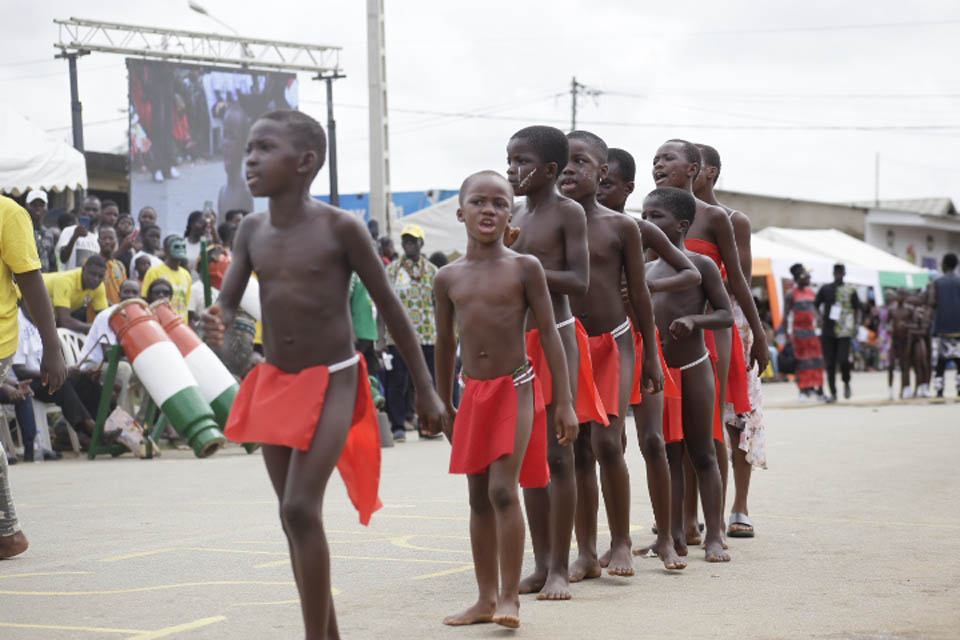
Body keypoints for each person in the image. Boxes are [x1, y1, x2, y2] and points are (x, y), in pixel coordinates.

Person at [201, 109, 444, 638]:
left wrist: (427, 389)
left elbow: (393, 311)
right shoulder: (251, 231)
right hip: (274, 380)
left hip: (335, 378)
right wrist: (214, 320)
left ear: (306, 162)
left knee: (299, 506)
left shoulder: (341, 228)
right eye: (249, 148)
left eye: (266, 148)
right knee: (293, 518)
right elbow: (227, 301)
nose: (251, 159)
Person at [432, 170, 579, 629]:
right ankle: (484, 598)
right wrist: (443, 403)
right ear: (461, 212)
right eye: (479, 202)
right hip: (472, 392)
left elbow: (551, 337)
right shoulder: (447, 276)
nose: (489, 210)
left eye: (500, 203)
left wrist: (565, 401)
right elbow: (442, 343)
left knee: (502, 489)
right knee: (477, 497)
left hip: (516, 386)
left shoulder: (524, 268)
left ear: (509, 212)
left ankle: (509, 598)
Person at [559, 131, 666, 580]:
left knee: (607, 441)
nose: (570, 169)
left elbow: (639, 293)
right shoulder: (545, 222)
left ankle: (619, 541)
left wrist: (650, 356)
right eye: (563, 162)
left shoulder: (621, 226)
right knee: (577, 447)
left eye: (581, 162)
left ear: (602, 172)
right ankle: (584, 551)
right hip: (570, 344)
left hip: (616, 343)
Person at [651, 139, 767, 544]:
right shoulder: (654, 217)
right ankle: (684, 520)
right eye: (656, 158)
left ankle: (724, 515)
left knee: (715, 425)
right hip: (668, 329)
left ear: (700, 169)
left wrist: (758, 333)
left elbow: (738, 282)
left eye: (668, 158)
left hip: (713, 326)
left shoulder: (719, 217)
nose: (659, 163)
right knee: (674, 428)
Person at [596, 146, 700, 567]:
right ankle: (617, 539)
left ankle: (666, 537)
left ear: (627, 188)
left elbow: (691, 271)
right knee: (608, 444)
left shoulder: (639, 230)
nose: (600, 189)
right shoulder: (578, 227)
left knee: (653, 441)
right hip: (601, 346)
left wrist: (650, 288)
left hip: (641, 342)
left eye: (607, 183)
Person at [506, 125, 591, 600]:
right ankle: (539, 564)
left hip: (557, 336)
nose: (513, 170)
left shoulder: (568, 212)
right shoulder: (512, 213)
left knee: (561, 454)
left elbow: (578, 280)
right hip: (519, 342)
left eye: (522, 161)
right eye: (509, 159)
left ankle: (560, 566)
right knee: (528, 458)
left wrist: (527, 267)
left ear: (551, 170)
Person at [642, 186, 732, 562]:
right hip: (660, 371)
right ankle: (673, 533)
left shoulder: (701, 265)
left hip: (694, 368)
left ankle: (714, 533)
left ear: (681, 225)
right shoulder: (644, 269)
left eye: (656, 217)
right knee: (668, 454)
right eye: (644, 217)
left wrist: (694, 320)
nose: (648, 224)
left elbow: (725, 313)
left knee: (703, 453)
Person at [694, 143, 767, 538]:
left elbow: (740, 280)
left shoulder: (733, 219)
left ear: (711, 173)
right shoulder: (669, 215)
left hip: (728, 321)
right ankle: (694, 509)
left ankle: (738, 505)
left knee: (737, 417)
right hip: (687, 319)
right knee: (694, 418)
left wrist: (757, 332)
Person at [0, 195, 66, 558]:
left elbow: (29, 279)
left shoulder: (9, 214)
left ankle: (8, 531)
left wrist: (51, 347)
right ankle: (7, 531)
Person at [14, 305, 114, 452]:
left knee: (86, 381)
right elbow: (19, 371)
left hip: (45, 378)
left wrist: (70, 372)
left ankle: (105, 425)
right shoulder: (17, 324)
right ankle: (91, 430)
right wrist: (58, 372)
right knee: (61, 383)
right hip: (26, 382)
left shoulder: (36, 323)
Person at [382, 224, 439, 442]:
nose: (409, 244)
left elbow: (438, 307)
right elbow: (384, 305)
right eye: (405, 240)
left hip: (427, 335)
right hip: (398, 337)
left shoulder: (433, 272)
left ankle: (428, 426)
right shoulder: (392, 271)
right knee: (398, 382)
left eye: (413, 240)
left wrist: (444, 335)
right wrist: (380, 339)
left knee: (427, 382)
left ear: (421, 244)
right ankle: (398, 426)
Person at [76, 279, 141, 416]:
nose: (130, 296)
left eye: (134, 293)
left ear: (140, 297)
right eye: (126, 292)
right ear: (119, 294)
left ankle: (142, 423)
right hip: (92, 366)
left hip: (111, 365)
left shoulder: (137, 317)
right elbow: (110, 355)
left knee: (149, 369)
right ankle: (118, 423)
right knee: (124, 369)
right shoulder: (109, 315)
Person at [814, 263, 861, 402]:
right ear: (833, 273)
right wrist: (818, 317)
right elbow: (815, 304)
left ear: (844, 273)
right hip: (828, 330)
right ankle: (833, 393)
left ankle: (846, 382)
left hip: (844, 330)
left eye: (841, 272)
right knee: (829, 363)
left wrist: (856, 324)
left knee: (843, 359)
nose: (838, 275)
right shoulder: (826, 289)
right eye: (836, 272)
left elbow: (857, 308)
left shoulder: (850, 289)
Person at [783, 264, 826, 401]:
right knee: (801, 363)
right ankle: (803, 390)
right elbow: (786, 315)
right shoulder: (791, 294)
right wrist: (786, 335)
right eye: (806, 276)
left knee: (817, 362)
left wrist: (819, 319)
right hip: (798, 334)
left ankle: (819, 390)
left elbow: (815, 310)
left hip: (812, 333)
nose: (808, 279)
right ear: (799, 278)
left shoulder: (811, 292)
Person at [41, 257, 109, 333]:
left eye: (100, 276)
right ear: (83, 269)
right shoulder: (65, 281)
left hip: (47, 315)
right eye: (92, 274)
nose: (96, 279)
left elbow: (104, 318)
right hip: (29, 299)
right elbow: (64, 321)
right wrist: (94, 328)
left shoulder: (99, 287)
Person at [929, 253, 960, 398]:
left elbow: (932, 303)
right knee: (959, 363)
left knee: (940, 364)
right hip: (958, 330)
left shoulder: (938, 283)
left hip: (942, 330)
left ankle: (939, 391)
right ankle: (959, 389)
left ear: (945, 265)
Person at [141, 235, 192, 322]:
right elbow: (146, 300)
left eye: (183, 247)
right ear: (166, 250)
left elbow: (186, 303)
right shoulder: (154, 272)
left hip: (181, 325)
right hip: (162, 324)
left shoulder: (186, 275)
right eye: (176, 246)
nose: (180, 249)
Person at [217, 102, 255, 218]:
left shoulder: (244, 195)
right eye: (225, 135)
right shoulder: (223, 192)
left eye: (233, 137)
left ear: (244, 145)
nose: (226, 144)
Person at [56, 195, 102, 271]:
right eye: (87, 209)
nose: (90, 213)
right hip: (70, 280)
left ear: (100, 213)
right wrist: (75, 236)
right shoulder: (69, 231)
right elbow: (63, 258)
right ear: (81, 211)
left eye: (95, 210)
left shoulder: (99, 237)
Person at [24, 190, 57, 273]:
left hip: (45, 281)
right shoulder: (22, 231)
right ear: (27, 207)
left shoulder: (49, 234)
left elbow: (52, 262)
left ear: (46, 208)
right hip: (25, 280)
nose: (38, 208)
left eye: (41, 205)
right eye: (34, 205)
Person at [98, 227, 128, 305]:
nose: (107, 242)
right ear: (98, 241)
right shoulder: (91, 263)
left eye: (111, 238)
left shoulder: (120, 265)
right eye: (104, 238)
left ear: (116, 241)